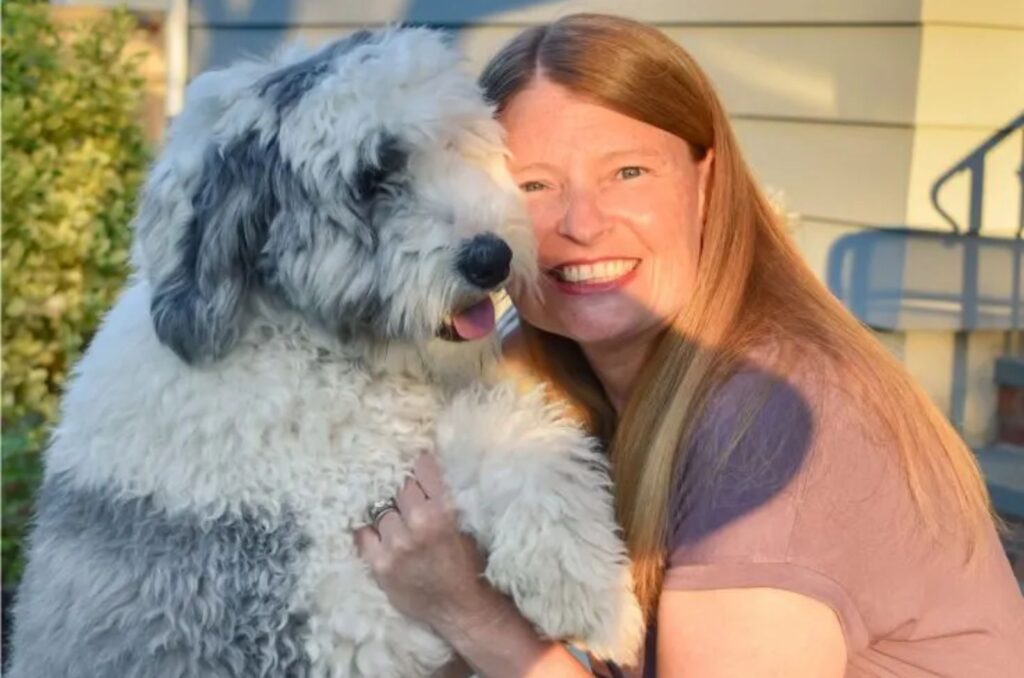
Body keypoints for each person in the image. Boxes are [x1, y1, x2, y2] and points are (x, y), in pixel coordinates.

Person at [354, 13, 1024, 677]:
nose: (582, 223)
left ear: (706, 185)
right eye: (532, 185)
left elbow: (466, 615)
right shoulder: (535, 389)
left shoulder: (775, 424)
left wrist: (463, 608)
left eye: (629, 173)